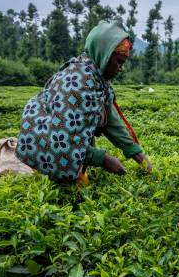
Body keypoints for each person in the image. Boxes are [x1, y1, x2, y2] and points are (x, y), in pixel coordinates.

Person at [15, 21, 152, 183]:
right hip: (45, 143)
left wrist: (137, 153)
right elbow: (63, 140)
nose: (121, 69)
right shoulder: (77, 84)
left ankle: (76, 173)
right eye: (119, 62)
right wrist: (103, 159)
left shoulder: (97, 80)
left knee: (82, 182)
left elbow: (111, 120)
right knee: (72, 192)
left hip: (64, 143)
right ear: (104, 55)